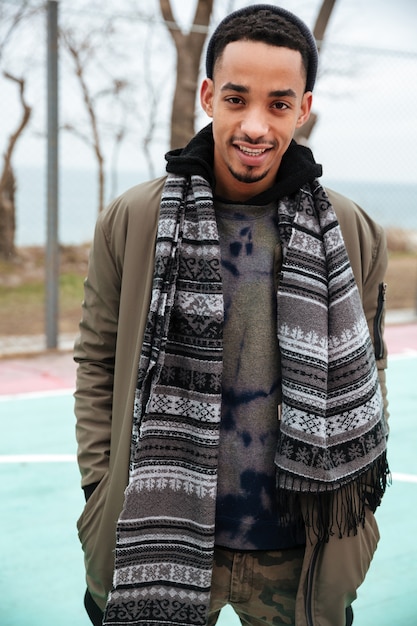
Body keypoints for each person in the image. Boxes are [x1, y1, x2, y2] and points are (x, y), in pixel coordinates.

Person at [74, 5, 390, 626]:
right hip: (155, 538)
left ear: (303, 110)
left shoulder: (351, 231)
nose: (255, 125)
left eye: (278, 104)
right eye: (237, 98)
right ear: (208, 96)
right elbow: (97, 360)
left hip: (297, 554)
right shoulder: (133, 219)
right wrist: (98, 489)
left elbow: (370, 372)